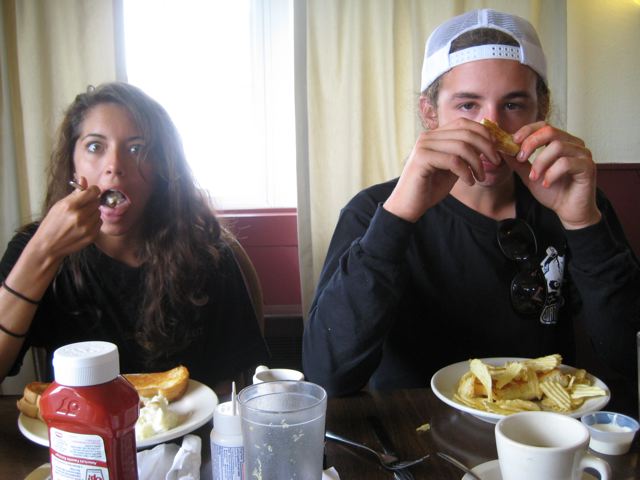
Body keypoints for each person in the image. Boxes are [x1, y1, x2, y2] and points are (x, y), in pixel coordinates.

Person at [302, 9, 640, 400]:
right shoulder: (372, 212)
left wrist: (584, 224)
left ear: (541, 110)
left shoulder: (574, 206)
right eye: (467, 105)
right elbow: (327, 374)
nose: (490, 129)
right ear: (430, 113)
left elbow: (628, 356)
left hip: (540, 427)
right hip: (413, 428)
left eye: (513, 105)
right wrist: (397, 219)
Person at [0, 82, 268, 393]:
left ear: (161, 169)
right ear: (72, 164)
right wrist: (43, 251)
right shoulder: (35, 247)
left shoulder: (207, 254)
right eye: (95, 147)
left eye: (136, 149)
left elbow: (231, 386)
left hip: (188, 425)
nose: (114, 166)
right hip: (75, 424)